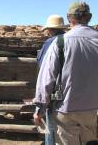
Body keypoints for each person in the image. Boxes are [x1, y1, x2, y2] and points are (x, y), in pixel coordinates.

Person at [33, 1, 98, 145]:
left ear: (69, 17)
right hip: (93, 107)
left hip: (65, 106)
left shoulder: (60, 42)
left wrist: (40, 106)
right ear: (89, 17)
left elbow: (46, 77)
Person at [36, 14, 65, 145]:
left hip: (55, 93)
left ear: (50, 29)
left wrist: (41, 103)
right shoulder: (71, 40)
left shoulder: (50, 43)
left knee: (51, 128)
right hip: (76, 94)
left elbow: (44, 68)